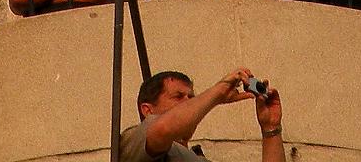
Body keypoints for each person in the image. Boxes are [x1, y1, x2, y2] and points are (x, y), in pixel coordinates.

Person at [117, 67, 285, 162]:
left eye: (191, 98)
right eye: (178, 97)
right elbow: (163, 130)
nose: (188, 103)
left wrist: (271, 128)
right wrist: (219, 91)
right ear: (147, 110)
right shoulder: (134, 139)